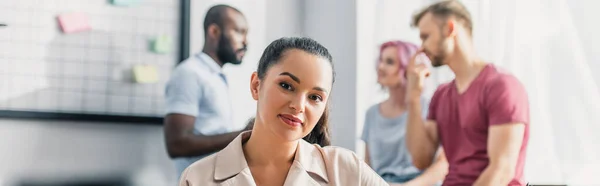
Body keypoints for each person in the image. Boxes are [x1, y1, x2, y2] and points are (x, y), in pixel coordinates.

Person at [178, 37, 388, 186]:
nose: (299, 105)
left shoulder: (346, 170)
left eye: (315, 97)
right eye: (287, 86)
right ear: (256, 85)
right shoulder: (198, 178)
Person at [404, 1, 530, 186]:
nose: (421, 48)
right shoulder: (441, 95)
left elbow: (501, 170)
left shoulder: (501, 86)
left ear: (449, 28)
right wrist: (413, 98)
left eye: (426, 36)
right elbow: (421, 159)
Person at [163, 4, 251, 177]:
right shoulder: (189, 73)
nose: (245, 42)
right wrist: (243, 135)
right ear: (214, 32)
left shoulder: (218, 77)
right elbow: (176, 144)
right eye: (239, 32)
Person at [362, 40, 448, 186]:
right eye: (380, 61)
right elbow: (367, 167)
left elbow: (442, 165)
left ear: (409, 68)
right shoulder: (372, 114)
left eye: (389, 62)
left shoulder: (429, 107)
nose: (381, 67)